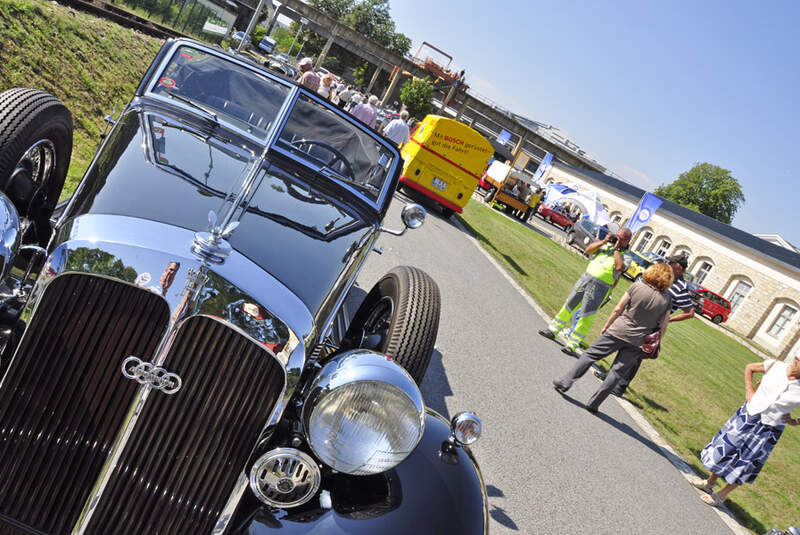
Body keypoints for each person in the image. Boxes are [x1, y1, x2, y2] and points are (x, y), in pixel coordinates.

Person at [552, 263, 674, 412]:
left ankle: (565, 382)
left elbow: (618, 308)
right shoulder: (667, 300)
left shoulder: (637, 287)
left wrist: (607, 325)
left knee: (590, 355)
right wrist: (653, 343)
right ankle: (594, 403)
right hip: (638, 341)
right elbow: (663, 326)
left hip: (618, 330)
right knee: (616, 373)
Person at [691, 355, 800, 507]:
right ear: (797, 358)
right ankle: (709, 482)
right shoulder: (776, 366)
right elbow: (750, 367)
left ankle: (722, 495)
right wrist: (749, 389)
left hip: (770, 429)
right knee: (727, 449)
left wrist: (794, 421)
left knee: (747, 462)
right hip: (749, 414)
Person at [596, 252, 696, 396]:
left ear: (679, 268)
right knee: (626, 348)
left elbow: (690, 312)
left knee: (637, 355)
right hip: (642, 317)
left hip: (654, 325)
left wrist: (670, 319)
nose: (668, 264)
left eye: (671, 263)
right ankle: (610, 378)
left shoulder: (681, 287)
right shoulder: (664, 276)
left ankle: (620, 387)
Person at [539, 228, 633, 355]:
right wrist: (604, 241)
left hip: (601, 286)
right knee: (570, 303)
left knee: (586, 314)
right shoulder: (606, 246)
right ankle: (553, 329)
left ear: (627, 241)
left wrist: (616, 249)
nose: (618, 239)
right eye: (617, 236)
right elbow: (588, 250)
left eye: (621, 238)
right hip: (586, 278)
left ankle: (573, 343)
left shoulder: (627, 256)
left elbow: (620, 267)